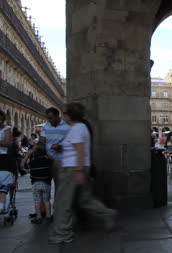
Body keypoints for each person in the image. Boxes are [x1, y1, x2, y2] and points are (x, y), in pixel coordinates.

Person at [49, 103, 116, 244]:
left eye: (64, 113)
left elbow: (80, 150)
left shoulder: (76, 128)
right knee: (85, 199)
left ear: (69, 115)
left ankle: (62, 233)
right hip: (79, 167)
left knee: (63, 202)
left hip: (72, 169)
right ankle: (107, 213)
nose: (63, 116)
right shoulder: (80, 127)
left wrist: (78, 171)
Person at [28, 108, 70, 189]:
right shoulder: (46, 127)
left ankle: (58, 201)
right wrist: (44, 151)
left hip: (61, 161)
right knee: (45, 186)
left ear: (57, 116)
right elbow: (42, 141)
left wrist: (61, 146)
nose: (49, 120)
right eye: (48, 118)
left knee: (59, 185)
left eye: (51, 118)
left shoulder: (67, 126)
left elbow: (70, 141)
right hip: (47, 161)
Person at [26, 144, 53, 224]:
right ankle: (48, 216)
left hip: (35, 184)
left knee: (37, 201)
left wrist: (28, 155)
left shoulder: (32, 162)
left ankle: (38, 217)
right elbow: (53, 160)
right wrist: (47, 153)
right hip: (46, 183)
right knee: (47, 200)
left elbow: (23, 165)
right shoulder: (48, 161)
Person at [0, 110, 13, 214]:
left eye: (1, 118)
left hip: (3, 157)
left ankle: (2, 205)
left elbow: (8, 143)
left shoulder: (7, 128)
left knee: (3, 180)